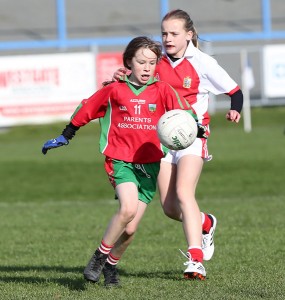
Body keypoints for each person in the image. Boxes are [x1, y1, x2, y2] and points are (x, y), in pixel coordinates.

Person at [41, 36, 202, 287]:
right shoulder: (114, 89)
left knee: (129, 230)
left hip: (149, 165)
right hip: (120, 160)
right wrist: (66, 135)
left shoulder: (163, 91)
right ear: (129, 62)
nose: (147, 67)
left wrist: (196, 129)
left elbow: (186, 115)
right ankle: (99, 256)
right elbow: (87, 108)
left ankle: (111, 266)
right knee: (126, 209)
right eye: (141, 62)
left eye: (152, 62)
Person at [112, 9, 243, 280]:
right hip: (162, 140)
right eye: (164, 33)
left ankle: (195, 260)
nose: (167, 38)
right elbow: (135, 80)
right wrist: (119, 77)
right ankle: (205, 223)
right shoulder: (157, 62)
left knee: (185, 194)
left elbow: (235, 91)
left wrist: (235, 109)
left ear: (189, 35)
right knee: (171, 208)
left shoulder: (203, 62)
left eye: (174, 33)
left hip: (193, 136)